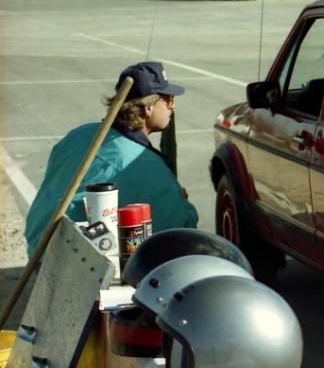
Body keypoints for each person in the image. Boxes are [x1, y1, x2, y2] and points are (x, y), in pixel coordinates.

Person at [24, 62, 199, 256]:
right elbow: (180, 229)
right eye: (168, 100)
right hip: (75, 259)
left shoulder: (79, 134)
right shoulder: (147, 166)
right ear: (149, 107)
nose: (172, 106)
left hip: (38, 244)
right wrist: (181, 202)